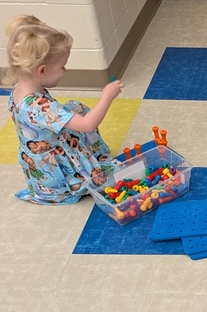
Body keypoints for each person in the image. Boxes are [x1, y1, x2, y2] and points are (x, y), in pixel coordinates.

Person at [4, 15, 123, 205]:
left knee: (75, 107)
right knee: (83, 121)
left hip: (40, 154)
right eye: (62, 67)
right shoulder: (39, 106)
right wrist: (107, 96)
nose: (65, 71)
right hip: (55, 172)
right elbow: (88, 124)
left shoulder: (20, 89)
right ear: (42, 71)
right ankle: (79, 176)